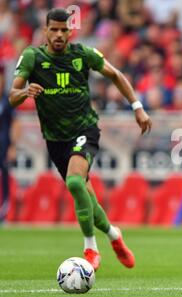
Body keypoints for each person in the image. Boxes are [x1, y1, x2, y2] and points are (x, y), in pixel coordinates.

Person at [8, 8, 152, 271]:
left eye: (64, 30)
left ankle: (90, 248)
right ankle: (114, 236)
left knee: (75, 182)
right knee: (87, 199)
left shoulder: (82, 54)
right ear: (46, 31)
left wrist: (137, 107)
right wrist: (26, 91)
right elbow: (12, 95)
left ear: (70, 31)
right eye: (54, 29)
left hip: (85, 130)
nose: (60, 34)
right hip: (55, 140)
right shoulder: (32, 57)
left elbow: (116, 75)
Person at [0, 67, 20, 223]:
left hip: (4, 147)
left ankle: (5, 213)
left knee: (5, 180)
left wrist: (13, 146)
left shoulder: (8, 101)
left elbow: (16, 123)